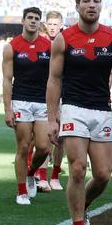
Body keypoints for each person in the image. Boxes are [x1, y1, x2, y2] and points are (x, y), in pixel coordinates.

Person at [46, 0, 112, 225]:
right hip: (73, 109)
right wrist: (51, 118)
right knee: (79, 168)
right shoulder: (64, 38)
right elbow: (54, 79)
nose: (91, 5)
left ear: (101, 5)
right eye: (86, 1)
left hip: (102, 111)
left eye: (96, 1)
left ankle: (84, 204)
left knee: (104, 174)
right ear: (77, 6)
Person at [2, 7, 52, 205]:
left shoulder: (48, 46)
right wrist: (7, 109)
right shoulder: (12, 47)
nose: (33, 21)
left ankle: (31, 173)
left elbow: (55, 78)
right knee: (23, 147)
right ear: (23, 21)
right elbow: (7, 79)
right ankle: (21, 191)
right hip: (21, 100)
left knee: (43, 147)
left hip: (42, 102)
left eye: (36, 18)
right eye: (29, 18)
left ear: (40, 23)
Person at [45, 11, 66, 191]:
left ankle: (55, 175)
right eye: (50, 24)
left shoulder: (65, 42)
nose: (52, 27)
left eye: (55, 24)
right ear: (46, 25)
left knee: (61, 137)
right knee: (38, 137)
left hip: (61, 96)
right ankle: (38, 173)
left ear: (61, 24)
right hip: (39, 95)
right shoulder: (41, 44)